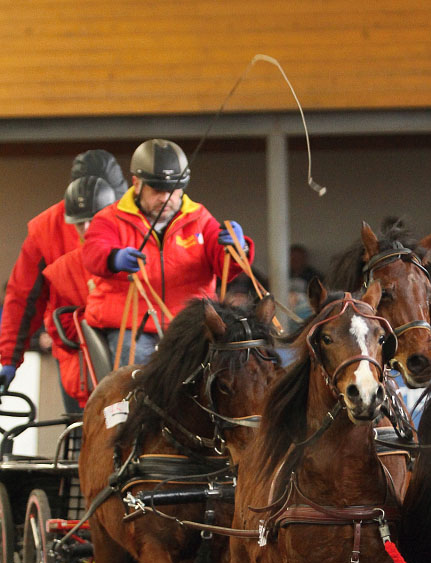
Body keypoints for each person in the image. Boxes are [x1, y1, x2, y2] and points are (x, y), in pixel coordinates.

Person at [82, 138, 254, 365]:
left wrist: (237, 248)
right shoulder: (109, 219)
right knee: (138, 369)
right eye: (156, 190)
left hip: (190, 325)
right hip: (132, 326)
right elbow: (93, 252)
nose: (165, 198)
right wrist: (114, 258)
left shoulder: (200, 218)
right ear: (136, 183)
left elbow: (224, 264)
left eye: (172, 191)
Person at [0, 149, 128, 395]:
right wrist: (9, 358)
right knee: (82, 428)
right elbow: (23, 296)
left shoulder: (138, 217)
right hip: (76, 352)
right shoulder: (45, 229)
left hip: (132, 344)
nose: (90, 226)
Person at [42, 176, 117, 409]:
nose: (86, 229)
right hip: (82, 374)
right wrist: (93, 320)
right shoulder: (63, 270)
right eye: (78, 223)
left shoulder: (130, 259)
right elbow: (56, 325)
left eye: (92, 220)